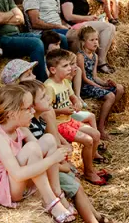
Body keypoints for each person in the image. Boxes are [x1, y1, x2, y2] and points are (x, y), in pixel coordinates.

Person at [19, 80, 129, 223]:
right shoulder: (29, 127)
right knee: (76, 187)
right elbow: (39, 160)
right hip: (44, 173)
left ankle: (97, 216)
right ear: (31, 105)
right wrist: (64, 167)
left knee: (76, 183)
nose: (48, 99)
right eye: (43, 97)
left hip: (51, 168)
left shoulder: (40, 121)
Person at [0, 85, 76, 223]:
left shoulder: (20, 129)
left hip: (13, 182)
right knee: (32, 148)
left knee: (49, 139)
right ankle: (51, 202)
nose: (33, 111)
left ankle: (56, 192)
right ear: (12, 113)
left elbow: (39, 156)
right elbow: (18, 174)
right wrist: (53, 159)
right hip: (2, 189)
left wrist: (57, 154)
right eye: (28, 108)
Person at [44, 49, 108, 186]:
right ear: (53, 70)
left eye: (69, 64)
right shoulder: (49, 86)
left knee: (96, 135)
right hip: (58, 125)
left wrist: (76, 102)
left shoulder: (65, 82)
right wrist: (62, 110)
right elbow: (45, 112)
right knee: (88, 140)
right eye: (65, 66)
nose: (70, 68)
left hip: (69, 120)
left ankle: (88, 167)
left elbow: (72, 96)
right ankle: (89, 172)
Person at [59, 0, 118, 73]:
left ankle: (96, 61)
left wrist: (93, 18)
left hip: (83, 23)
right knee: (109, 27)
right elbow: (69, 16)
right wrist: (88, 18)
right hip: (72, 27)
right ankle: (101, 62)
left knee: (108, 27)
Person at [77, 26, 125, 140]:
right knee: (110, 96)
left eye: (96, 39)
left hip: (93, 84)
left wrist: (105, 83)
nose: (95, 42)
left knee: (119, 88)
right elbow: (84, 78)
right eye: (91, 40)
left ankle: (105, 118)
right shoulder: (80, 56)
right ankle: (101, 128)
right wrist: (98, 86)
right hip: (85, 87)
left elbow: (95, 76)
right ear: (83, 42)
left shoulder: (95, 56)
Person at [41, 30, 83, 97]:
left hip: (64, 77)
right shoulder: (44, 59)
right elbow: (49, 74)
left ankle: (77, 95)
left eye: (59, 44)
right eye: (56, 44)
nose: (58, 47)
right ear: (46, 45)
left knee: (78, 69)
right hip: (55, 79)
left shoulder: (59, 56)